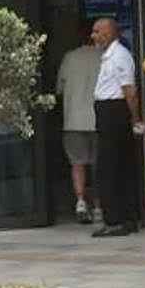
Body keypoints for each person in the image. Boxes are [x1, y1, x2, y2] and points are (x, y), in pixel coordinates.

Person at [89, 17, 142, 238]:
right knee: (116, 166)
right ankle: (125, 217)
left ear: (109, 33)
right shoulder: (108, 55)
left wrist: (134, 118)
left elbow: (129, 91)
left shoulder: (119, 56)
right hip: (108, 112)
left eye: (97, 31)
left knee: (110, 168)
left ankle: (116, 220)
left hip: (115, 113)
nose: (93, 36)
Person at [56, 27, 102, 224]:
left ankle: (81, 201)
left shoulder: (69, 57)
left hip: (73, 120)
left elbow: (59, 88)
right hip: (98, 119)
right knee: (99, 165)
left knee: (77, 163)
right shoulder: (104, 57)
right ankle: (99, 206)